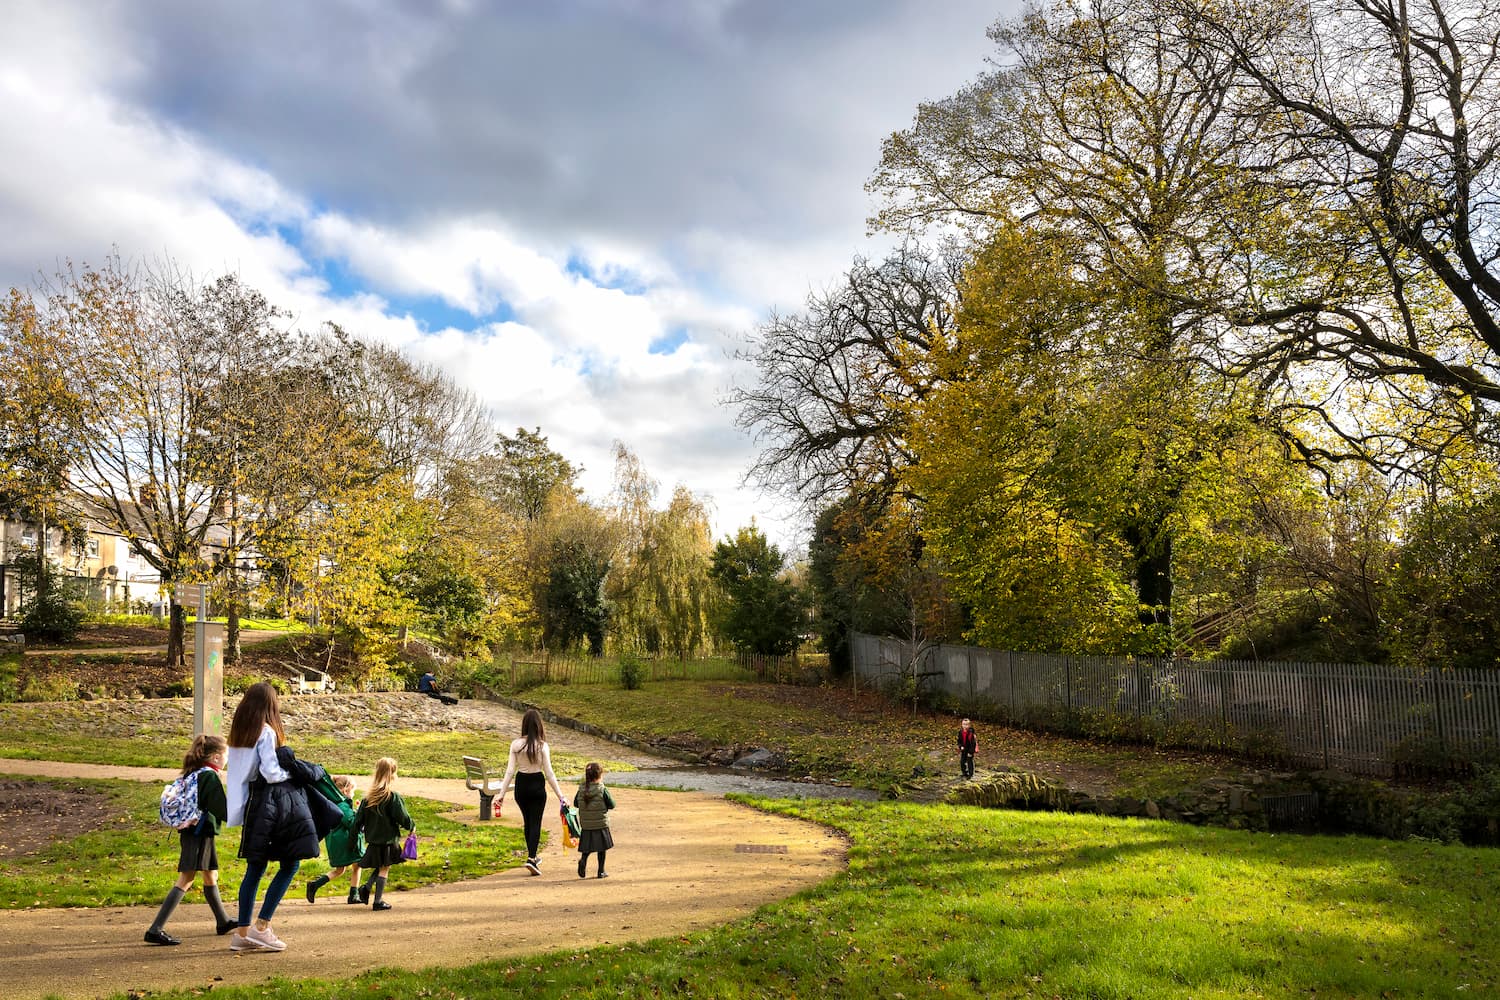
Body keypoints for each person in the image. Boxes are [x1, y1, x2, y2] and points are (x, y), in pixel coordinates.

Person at [226, 681, 321, 952]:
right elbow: (271, 772)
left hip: (249, 804)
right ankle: (262, 927)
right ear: (270, 706)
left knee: (254, 869)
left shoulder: (239, 733)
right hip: (270, 803)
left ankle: (242, 933)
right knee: (290, 864)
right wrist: (292, 773)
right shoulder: (265, 732)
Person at [144, 734, 236, 944]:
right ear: (215, 757)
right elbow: (222, 809)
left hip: (194, 831)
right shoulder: (209, 776)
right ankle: (155, 930)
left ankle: (223, 921)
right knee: (187, 878)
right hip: (198, 833)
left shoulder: (193, 773)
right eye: (226, 755)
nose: (227, 759)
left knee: (211, 875)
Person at [495, 708, 568, 875]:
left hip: (521, 785)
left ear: (524, 725)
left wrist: (501, 794)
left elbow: (509, 772)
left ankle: (533, 858)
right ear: (539, 726)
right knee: (536, 822)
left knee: (528, 822)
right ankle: (532, 858)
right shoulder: (542, 746)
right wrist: (561, 796)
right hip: (536, 785)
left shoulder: (515, 744)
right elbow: (549, 773)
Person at [352, 757, 414, 911]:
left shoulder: (368, 798)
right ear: (392, 774)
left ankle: (366, 888)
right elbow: (403, 817)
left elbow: (358, 820)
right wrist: (411, 826)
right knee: (385, 867)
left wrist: (353, 838)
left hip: (373, 838)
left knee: (381, 865)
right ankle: (378, 901)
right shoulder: (392, 797)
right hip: (388, 838)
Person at [304, 775, 364, 904]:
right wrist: (359, 812)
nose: (353, 794)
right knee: (357, 865)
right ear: (345, 790)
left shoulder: (334, 803)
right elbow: (351, 823)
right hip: (345, 841)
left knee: (341, 869)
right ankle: (354, 894)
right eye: (352, 791)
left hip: (336, 841)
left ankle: (315, 885)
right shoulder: (342, 805)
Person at [572, 761, 616, 879]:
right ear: (599, 776)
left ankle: (583, 860)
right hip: (601, 823)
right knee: (602, 848)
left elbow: (576, 804)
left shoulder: (581, 789)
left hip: (586, 824)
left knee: (587, 847)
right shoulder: (602, 789)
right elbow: (612, 805)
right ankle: (600, 871)